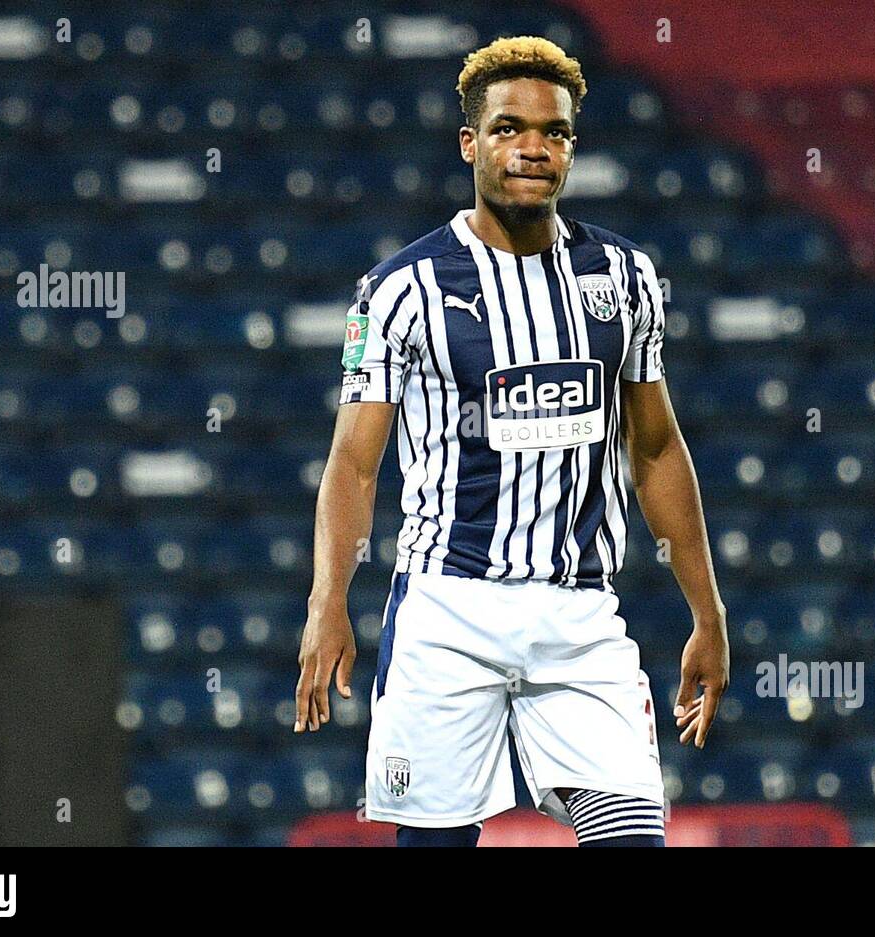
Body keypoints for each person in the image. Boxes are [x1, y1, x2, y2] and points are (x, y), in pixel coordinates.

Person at [295, 36, 729, 847]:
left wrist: (706, 610)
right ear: (469, 142)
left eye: (554, 131)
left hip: (580, 614)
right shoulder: (400, 289)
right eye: (508, 128)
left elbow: (658, 447)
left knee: (634, 839)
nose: (533, 147)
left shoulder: (624, 278)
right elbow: (354, 462)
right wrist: (328, 601)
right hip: (446, 612)